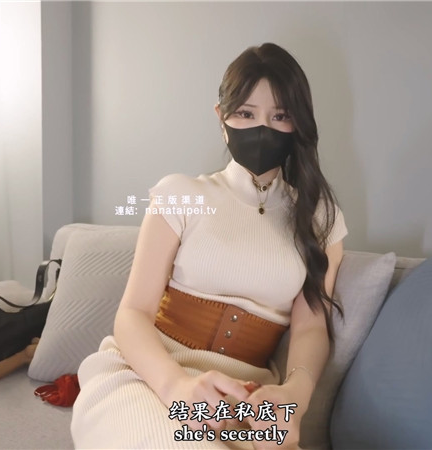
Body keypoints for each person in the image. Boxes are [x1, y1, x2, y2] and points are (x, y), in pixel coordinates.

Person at [71, 42, 348, 449]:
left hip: (245, 400)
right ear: (221, 117)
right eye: (246, 113)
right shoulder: (179, 194)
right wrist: (177, 388)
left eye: (280, 116)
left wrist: (295, 397)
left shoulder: (321, 218)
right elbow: (133, 313)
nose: (262, 127)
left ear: (298, 123)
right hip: (147, 378)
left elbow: (310, 326)